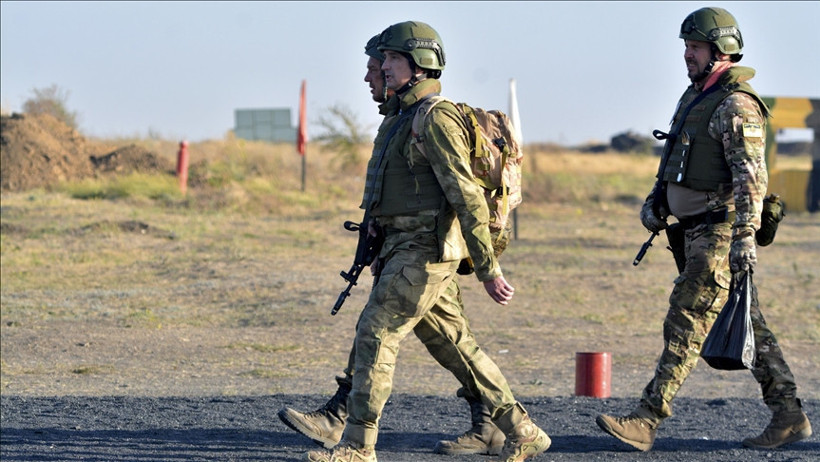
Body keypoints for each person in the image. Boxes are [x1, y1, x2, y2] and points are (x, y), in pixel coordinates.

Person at [304, 21, 550, 462]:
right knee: (456, 345)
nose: (379, 70)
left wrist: (489, 268)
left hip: (425, 252)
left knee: (376, 334)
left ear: (419, 65)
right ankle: (523, 430)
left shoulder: (434, 117)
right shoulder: (400, 119)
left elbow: (467, 195)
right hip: (405, 249)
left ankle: (359, 446)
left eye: (390, 60)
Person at [595, 7, 812, 452]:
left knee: (687, 319)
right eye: (686, 48)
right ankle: (788, 416)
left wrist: (745, 236)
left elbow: (752, 178)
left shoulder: (736, 104)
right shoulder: (695, 98)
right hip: (694, 232)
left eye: (694, 48)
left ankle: (647, 419)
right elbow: (677, 158)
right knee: (750, 324)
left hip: (720, 234)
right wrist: (658, 202)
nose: (687, 56)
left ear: (720, 52)